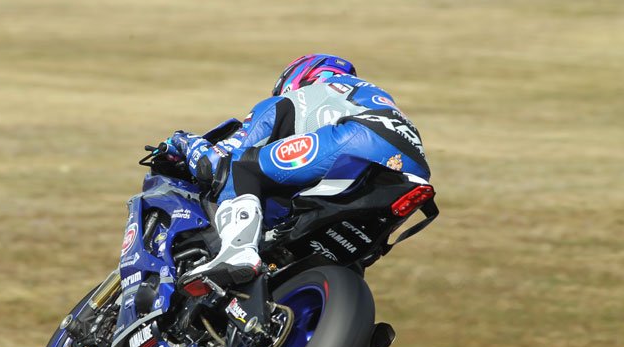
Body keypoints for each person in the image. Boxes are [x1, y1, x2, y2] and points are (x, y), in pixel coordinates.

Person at [164, 54, 430, 288]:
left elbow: (218, 159)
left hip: (361, 138)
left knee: (241, 166)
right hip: (413, 170)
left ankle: (237, 253)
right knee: (348, 250)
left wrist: (185, 142)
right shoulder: (365, 97)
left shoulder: (296, 98)